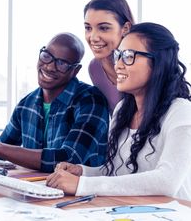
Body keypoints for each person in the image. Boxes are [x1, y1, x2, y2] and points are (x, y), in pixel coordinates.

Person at [46, 23, 191, 201]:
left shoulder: (181, 112)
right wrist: (83, 172)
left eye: (129, 56)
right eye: (119, 55)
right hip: (133, 211)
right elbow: (118, 172)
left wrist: (82, 185)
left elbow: (167, 181)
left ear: (158, 63)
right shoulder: (123, 110)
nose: (118, 65)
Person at [0, 32, 109, 172]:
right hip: (38, 190)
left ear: (75, 70)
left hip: (83, 192)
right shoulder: (26, 104)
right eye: (46, 56)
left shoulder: (91, 100)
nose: (50, 67)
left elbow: (69, 160)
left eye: (62, 63)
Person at [84, 0, 135, 111]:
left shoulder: (142, 65)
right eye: (88, 28)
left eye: (104, 28)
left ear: (125, 28)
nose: (93, 37)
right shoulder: (95, 68)